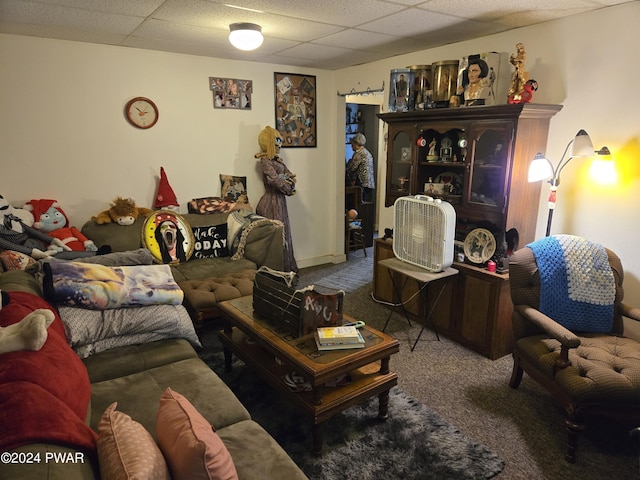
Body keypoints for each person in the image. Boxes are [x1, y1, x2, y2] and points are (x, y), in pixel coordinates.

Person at [255, 126, 298, 272]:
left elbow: (290, 177)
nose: (280, 144)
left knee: (283, 235)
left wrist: (288, 184)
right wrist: (287, 187)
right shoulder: (265, 161)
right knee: (275, 237)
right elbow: (274, 180)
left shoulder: (278, 161)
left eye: (280, 140)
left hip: (280, 201)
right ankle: (274, 272)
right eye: (277, 140)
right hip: (270, 203)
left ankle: (285, 270)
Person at [346, 133, 375, 202]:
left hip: (361, 183)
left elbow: (352, 168)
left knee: (358, 204)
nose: (351, 146)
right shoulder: (367, 153)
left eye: (352, 144)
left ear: (356, 143)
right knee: (366, 205)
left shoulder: (358, 153)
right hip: (369, 183)